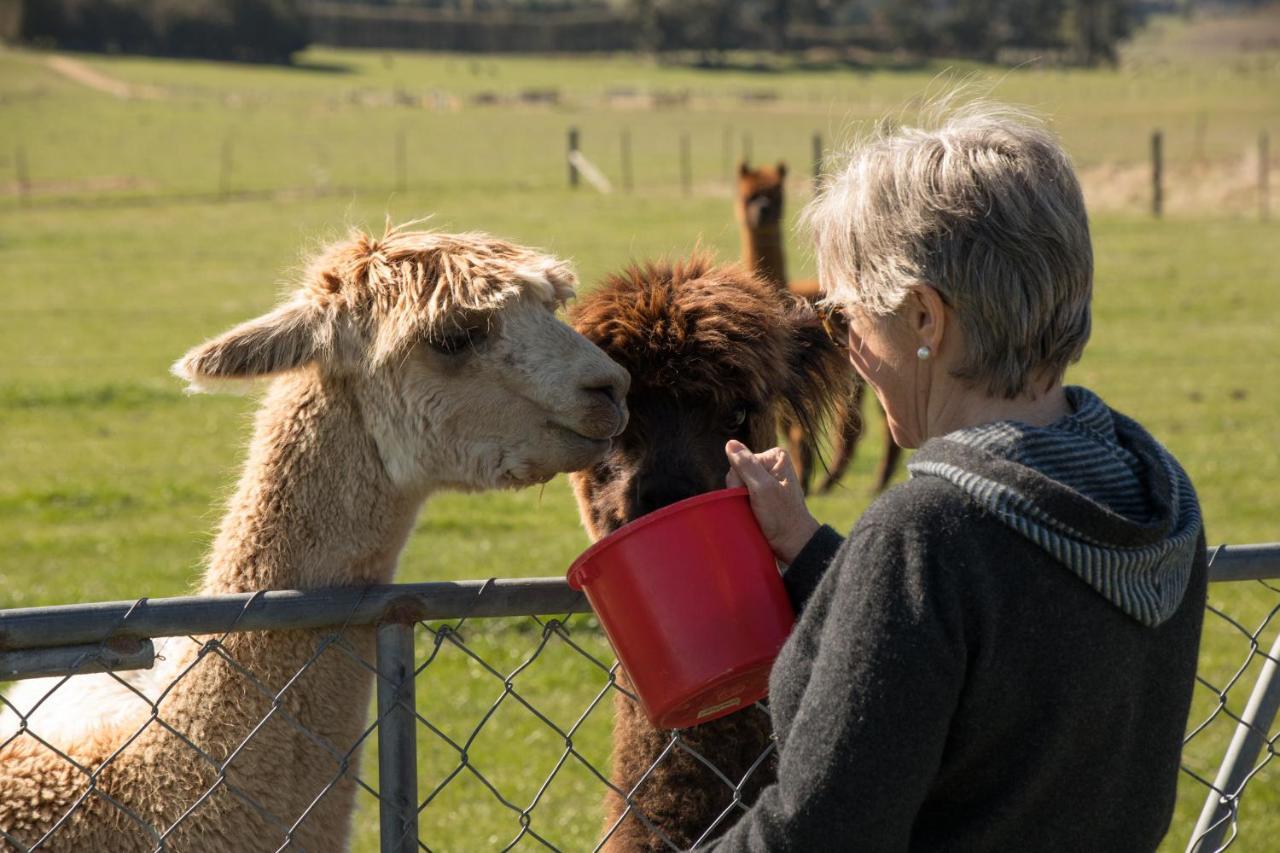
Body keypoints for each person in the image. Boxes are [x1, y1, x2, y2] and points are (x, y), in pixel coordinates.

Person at [706, 102, 1208, 852]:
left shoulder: (927, 535)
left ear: (923, 320)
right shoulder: (1156, 495)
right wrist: (813, 550)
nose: (847, 351)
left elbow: (816, 835)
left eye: (848, 320)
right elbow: (974, 659)